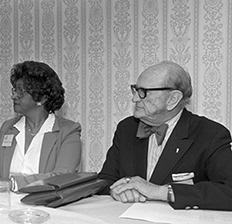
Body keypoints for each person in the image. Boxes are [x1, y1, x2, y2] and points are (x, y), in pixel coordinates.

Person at [98, 61, 232, 210]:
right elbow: (104, 181)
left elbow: (229, 191)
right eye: (135, 90)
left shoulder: (210, 134)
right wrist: (117, 190)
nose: (134, 99)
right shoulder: (127, 128)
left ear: (172, 99)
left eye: (143, 92)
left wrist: (160, 192)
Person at [0, 61, 82, 192]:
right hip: (5, 206)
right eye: (14, 90)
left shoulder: (68, 131)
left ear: (42, 98)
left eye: (20, 91)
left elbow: (62, 178)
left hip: (46, 208)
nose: (13, 96)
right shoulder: (8, 128)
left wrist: (12, 184)